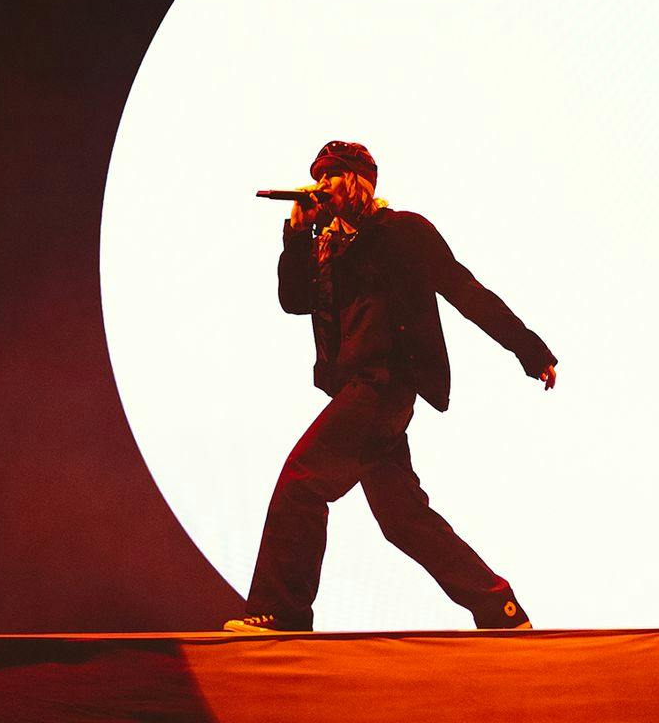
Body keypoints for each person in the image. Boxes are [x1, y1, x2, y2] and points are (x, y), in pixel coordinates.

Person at [224, 140, 557, 633]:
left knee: (302, 481)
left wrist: (529, 350)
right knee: (402, 517)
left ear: (359, 181)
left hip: (384, 384)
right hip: (355, 390)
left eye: (333, 175)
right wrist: (296, 237)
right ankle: (498, 607)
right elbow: (294, 302)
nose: (322, 185)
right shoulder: (326, 245)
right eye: (318, 176)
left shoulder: (402, 232)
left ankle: (283, 611)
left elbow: (464, 290)